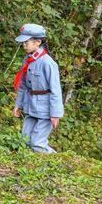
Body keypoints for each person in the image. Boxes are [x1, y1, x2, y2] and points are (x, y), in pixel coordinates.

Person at [12, 23, 62, 153]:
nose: (24, 45)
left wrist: (55, 114)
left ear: (38, 42)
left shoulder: (47, 63)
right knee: (25, 140)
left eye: (26, 42)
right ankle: (31, 167)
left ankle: (56, 162)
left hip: (45, 110)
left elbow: (56, 90)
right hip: (30, 106)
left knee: (37, 144)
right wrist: (18, 105)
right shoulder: (27, 60)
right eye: (23, 42)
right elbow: (23, 85)